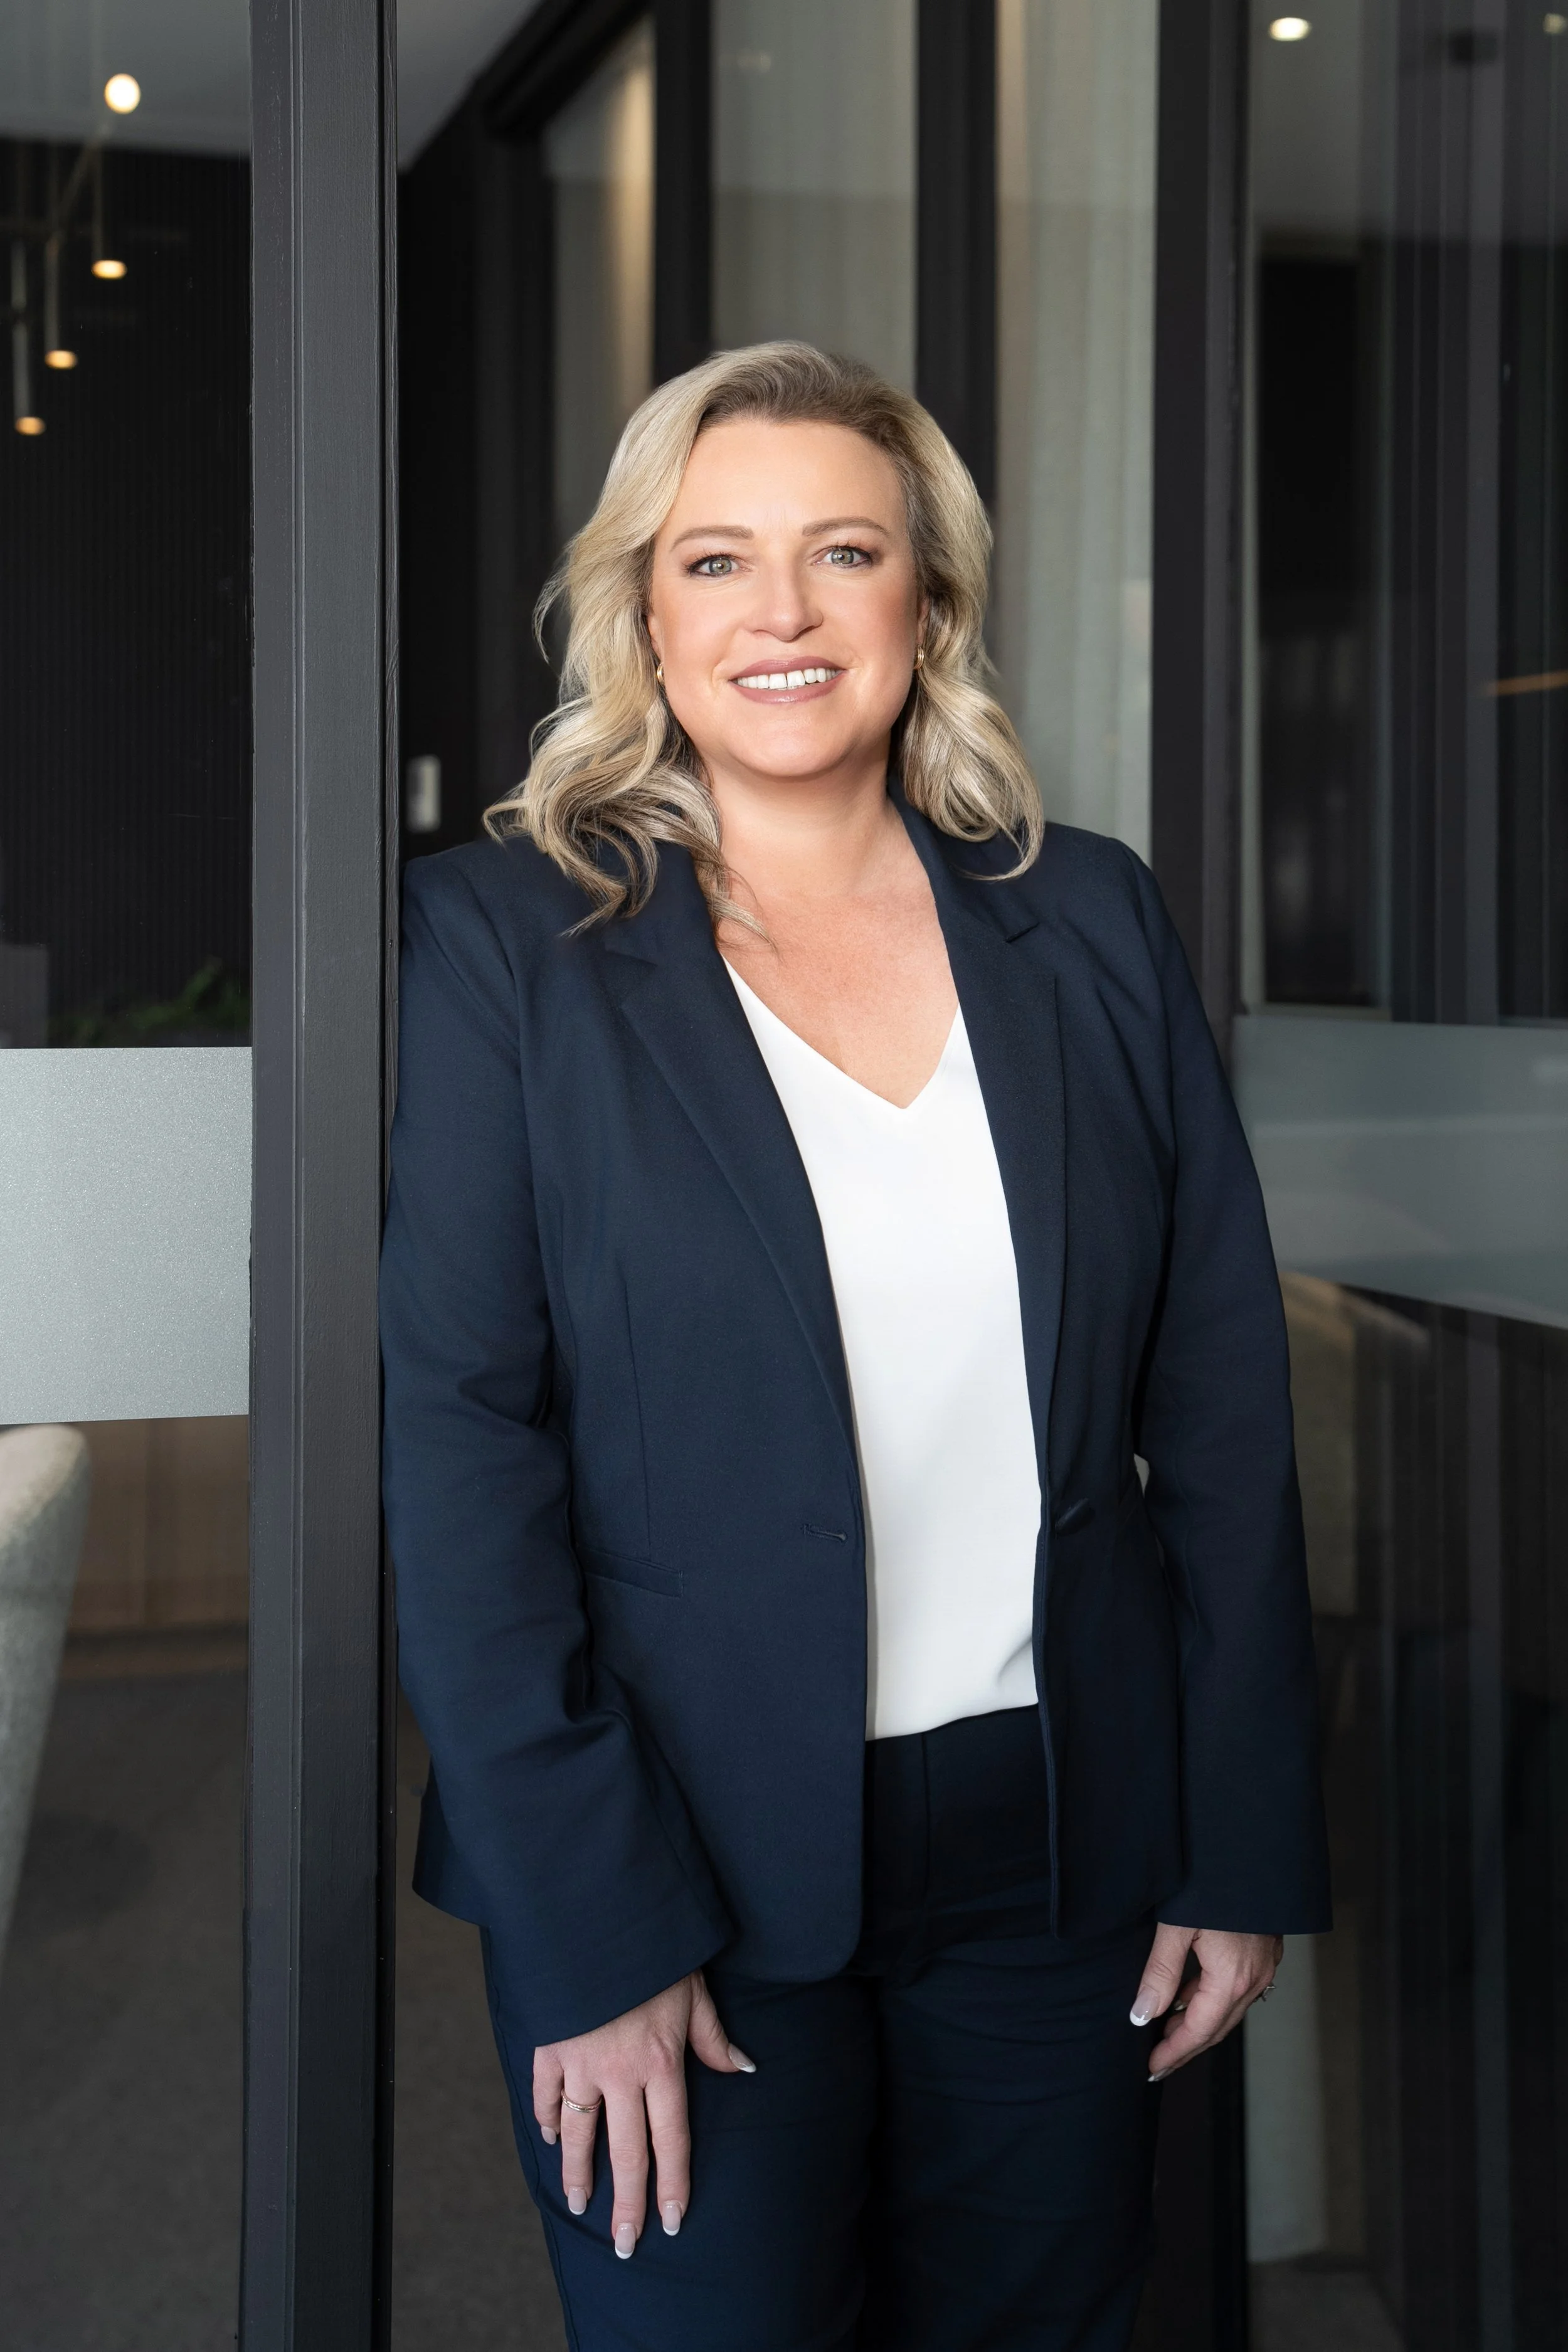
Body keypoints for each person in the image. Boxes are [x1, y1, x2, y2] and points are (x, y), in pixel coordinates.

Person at [380, 341, 1330, 2351]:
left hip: (1069, 1854)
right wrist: (589, 1929)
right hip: (678, 1865)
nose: (783, 615)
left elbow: (1223, 1406)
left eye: (843, 552)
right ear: (646, 609)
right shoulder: (504, 947)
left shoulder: (1084, 923)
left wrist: (1235, 1835)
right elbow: (464, 1456)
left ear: (930, 602)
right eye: (717, 562)